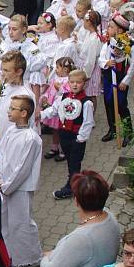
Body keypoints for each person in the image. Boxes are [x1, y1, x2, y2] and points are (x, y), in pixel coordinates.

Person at [0, 94, 42, 267]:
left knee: (21, 221)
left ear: (23, 113)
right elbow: (1, 154)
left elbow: (23, 167)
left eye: (13, 108)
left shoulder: (31, 138)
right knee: (5, 220)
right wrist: (0, 178)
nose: (9, 111)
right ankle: (9, 255)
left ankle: (28, 257)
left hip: (20, 187)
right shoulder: (10, 130)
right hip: (5, 184)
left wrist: (8, 185)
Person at [41, 69, 95, 200]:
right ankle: (76, 182)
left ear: (84, 84)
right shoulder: (63, 97)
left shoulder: (86, 102)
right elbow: (54, 110)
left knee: (75, 162)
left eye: (78, 82)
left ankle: (71, 187)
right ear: (68, 83)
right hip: (64, 134)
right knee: (70, 162)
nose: (75, 85)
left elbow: (88, 122)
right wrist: (40, 115)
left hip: (76, 137)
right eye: (72, 82)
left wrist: (80, 139)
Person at [99, 13, 134, 144]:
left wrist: (125, 81)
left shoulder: (131, 46)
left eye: (110, 27)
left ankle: (128, 131)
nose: (107, 30)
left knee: (121, 104)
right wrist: (106, 62)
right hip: (108, 77)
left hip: (121, 78)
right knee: (108, 102)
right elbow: (100, 58)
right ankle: (113, 129)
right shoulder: (108, 43)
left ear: (120, 30)